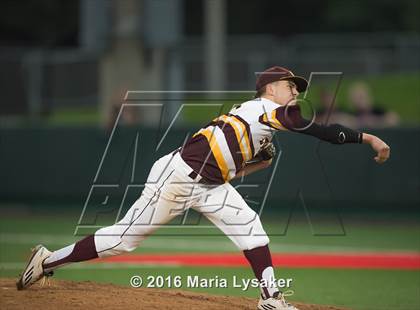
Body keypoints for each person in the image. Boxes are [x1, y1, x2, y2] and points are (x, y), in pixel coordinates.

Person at [16, 66, 390, 310]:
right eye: (291, 86)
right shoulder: (268, 109)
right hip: (176, 177)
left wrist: (258, 160)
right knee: (121, 242)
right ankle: (47, 260)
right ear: (271, 88)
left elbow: (234, 169)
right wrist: (366, 137)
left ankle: (270, 298)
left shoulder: (261, 119)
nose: (295, 92)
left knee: (251, 227)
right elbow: (319, 130)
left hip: (210, 184)